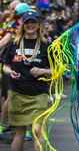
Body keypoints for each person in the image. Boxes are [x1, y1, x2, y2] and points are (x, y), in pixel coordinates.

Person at [2, 10, 51, 151]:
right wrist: (10, 71)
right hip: (17, 93)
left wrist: (43, 71)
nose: (30, 25)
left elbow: (57, 71)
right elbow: (5, 65)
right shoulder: (14, 43)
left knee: (37, 130)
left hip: (39, 94)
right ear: (23, 25)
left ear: (38, 25)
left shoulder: (46, 45)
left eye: (33, 22)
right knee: (19, 132)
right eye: (27, 22)